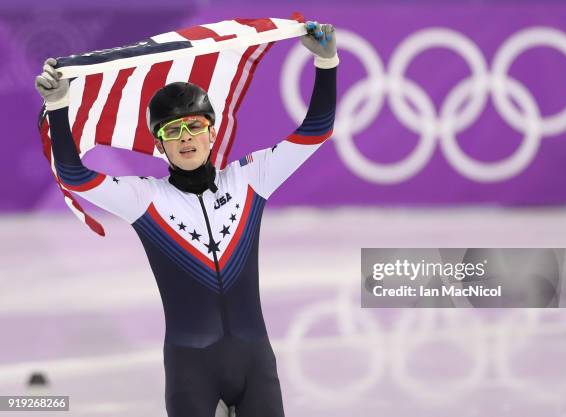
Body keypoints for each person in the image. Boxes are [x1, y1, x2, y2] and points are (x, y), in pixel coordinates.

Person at [35, 20, 338, 417]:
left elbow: (316, 130)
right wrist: (58, 107)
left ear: (212, 133)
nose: (185, 138)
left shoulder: (250, 179)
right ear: (160, 145)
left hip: (255, 363)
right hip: (191, 369)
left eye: (195, 126)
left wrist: (327, 62)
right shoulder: (146, 198)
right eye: (172, 131)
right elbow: (76, 176)